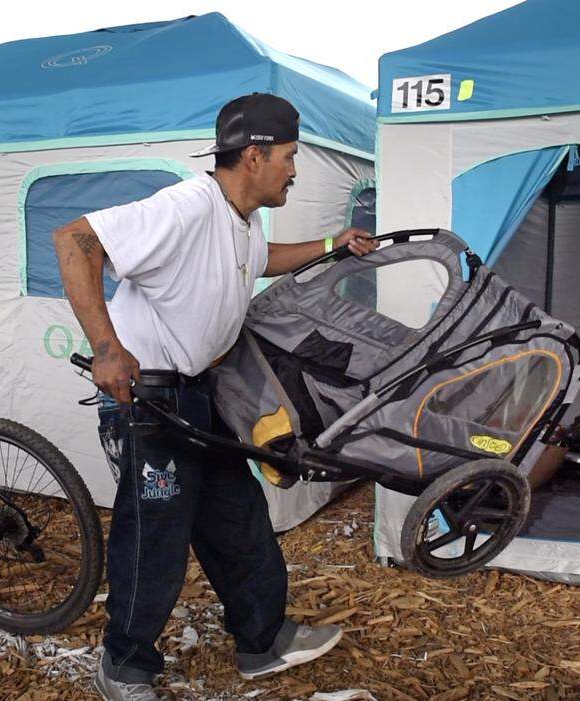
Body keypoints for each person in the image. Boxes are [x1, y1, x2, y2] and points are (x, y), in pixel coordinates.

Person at [52, 93, 377, 701]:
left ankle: (262, 641)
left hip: (201, 396)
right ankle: (123, 665)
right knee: (156, 534)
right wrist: (106, 346)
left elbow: (261, 262)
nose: (294, 168)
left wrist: (332, 245)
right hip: (149, 400)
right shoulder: (188, 206)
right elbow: (76, 240)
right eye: (288, 156)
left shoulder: (244, 221)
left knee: (238, 519)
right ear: (254, 156)